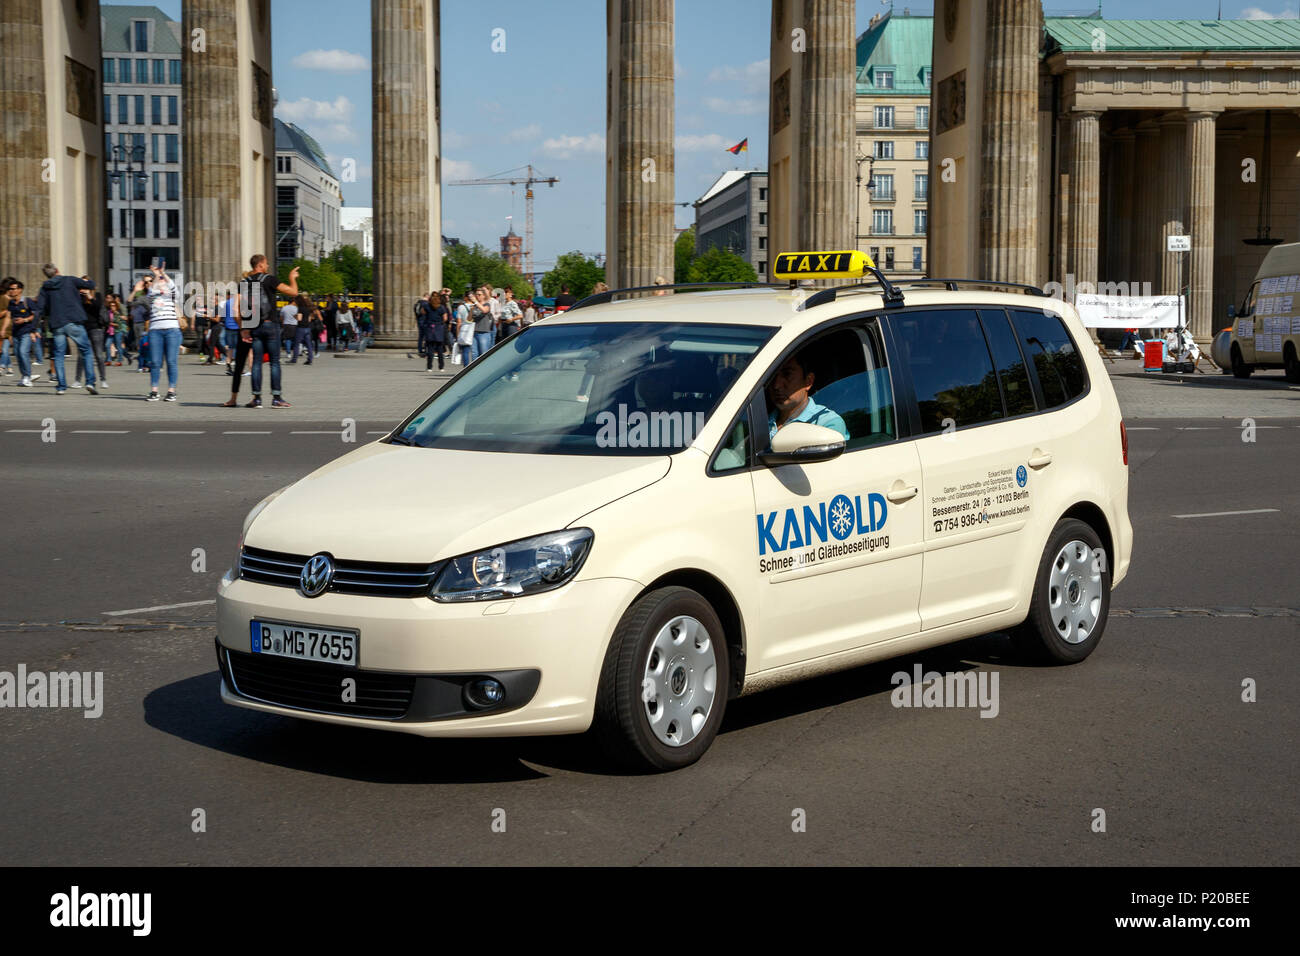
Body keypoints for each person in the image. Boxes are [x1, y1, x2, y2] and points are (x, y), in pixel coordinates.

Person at [222, 254, 299, 408]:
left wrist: (243, 329)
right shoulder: (270, 279)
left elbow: (236, 310)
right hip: (270, 325)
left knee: (256, 362)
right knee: (274, 362)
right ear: (261, 265)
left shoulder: (244, 283)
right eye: (266, 263)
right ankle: (277, 398)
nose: (268, 266)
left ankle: (256, 399)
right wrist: (292, 278)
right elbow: (293, 292)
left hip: (253, 327)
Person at [34, 263, 98, 395]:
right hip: (74, 321)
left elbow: (39, 308)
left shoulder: (45, 287)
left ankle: (61, 386)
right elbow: (91, 285)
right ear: (57, 270)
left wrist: (34, 328)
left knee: (58, 355)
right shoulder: (70, 280)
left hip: (57, 323)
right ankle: (90, 382)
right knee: (86, 350)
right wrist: (86, 283)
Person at [765, 350, 848, 442]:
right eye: (772, 376)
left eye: (787, 374)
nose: (776, 385)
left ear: (808, 381)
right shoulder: (758, 422)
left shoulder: (827, 424)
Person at [139, 263, 187, 401]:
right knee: (155, 362)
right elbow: (151, 291)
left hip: (172, 330)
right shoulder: (152, 295)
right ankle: (154, 391)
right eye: (158, 280)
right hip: (155, 331)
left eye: (162, 280)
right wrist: (156, 275)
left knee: (171, 361)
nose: (160, 281)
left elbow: (173, 287)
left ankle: (171, 391)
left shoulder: (172, 294)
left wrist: (163, 274)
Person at [2, 278, 40, 386]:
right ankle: (24, 376)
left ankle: (27, 377)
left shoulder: (28, 302)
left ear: (20, 290)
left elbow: (35, 315)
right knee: (18, 355)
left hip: (26, 331)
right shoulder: (11, 303)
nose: (12, 291)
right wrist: (4, 329)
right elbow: (8, 317)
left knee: (23, 353)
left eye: (14, 289)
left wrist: (25, 320)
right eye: (10, 289)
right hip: (15, 332)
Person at [424, 291, 449, 371]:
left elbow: (422, 312)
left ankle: (429, 367)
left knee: (430, 349)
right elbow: (445, 318)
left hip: (430, 328)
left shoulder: (427, 306)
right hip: (439, 328)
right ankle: (441, 367)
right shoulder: (441, 307)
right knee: (440, 349)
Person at [470, 289, 495, 362]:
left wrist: (476, 302)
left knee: (483, 354)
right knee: (474, 354)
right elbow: (469, 319)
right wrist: (471, 310)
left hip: (484, 332)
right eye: (476, 294)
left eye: (479, 295)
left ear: (484, 296)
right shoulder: (475, 306)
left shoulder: (487, 304)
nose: (477, 296)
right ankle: (474, 371)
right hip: (475, 332)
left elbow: (484, 310)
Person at [280, 294, 300, 361]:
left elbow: (281, 317)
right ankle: (295, 352)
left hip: (286, 324)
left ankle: (288, 353)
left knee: (287, 339)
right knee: (295, 339)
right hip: (294, 324)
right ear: (293, 302)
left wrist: (282, 323)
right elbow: (298, 317)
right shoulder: (296, 308)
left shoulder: (284, 308)